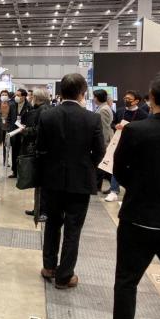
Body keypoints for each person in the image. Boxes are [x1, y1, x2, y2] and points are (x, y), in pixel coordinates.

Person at [96, 70, 160, 319]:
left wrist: (139, 188)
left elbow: (120, 170)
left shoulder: (136, 131)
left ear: (151, 98)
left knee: (127, 281)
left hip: (138, 217)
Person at [37, 74, 105, 290]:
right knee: (73, 229)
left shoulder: (47, 116)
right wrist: (86, 166)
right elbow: (100, 152)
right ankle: (64, 276)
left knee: (52, 224)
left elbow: (40, 148)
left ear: (61, 91)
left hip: (52, 180)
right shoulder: (92, 119)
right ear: (82, 93)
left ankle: (49, 267)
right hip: (80, 182)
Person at [106, 91, 149, 202]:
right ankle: (113, 190)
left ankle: (132, 190)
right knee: (116, 163)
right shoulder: (120, 111)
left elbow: (145, 129)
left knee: (133, 167)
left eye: (129, 99)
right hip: (119, 141)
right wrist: (116, 125)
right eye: (125, 98)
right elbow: (112, 123)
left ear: (136, 101)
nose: (126, 100)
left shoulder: (143, 114)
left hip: (135, 144)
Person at [20, 88, 51, 222]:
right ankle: (38, 209)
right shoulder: (43, 109)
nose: (31, 98)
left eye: (33, 96)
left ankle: (42, 211)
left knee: (41, 183)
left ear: (38, 98)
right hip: (41, 150)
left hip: (41, 151)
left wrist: (25, 130)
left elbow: (39, 130)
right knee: (38, 182)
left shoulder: (42, 111)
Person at [93, 89, 114, 193]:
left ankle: (101, 186)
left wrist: (103, 143)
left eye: (94, 97)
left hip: (104, 140)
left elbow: (104, 128)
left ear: (97, 98)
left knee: (102, 164)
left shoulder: (103, 109)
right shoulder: (103, 107)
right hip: (104, 140)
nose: (93, 99)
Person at [10, 88, 31, 178]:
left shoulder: (29, 106)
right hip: (14, 132)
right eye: (16, 95)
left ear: (24, 96)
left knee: (22, 152)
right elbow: (9, 118)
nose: (16, 97)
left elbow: (30, 119)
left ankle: (21, 172)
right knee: (14, 152)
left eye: (18, 95)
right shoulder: (12, 105)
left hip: (23, 132)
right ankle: (14, 171)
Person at [0, 89, 17, 166]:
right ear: (0, 96)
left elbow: (13, 117)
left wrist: (12, 127)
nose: (4, 96)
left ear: (8, 96)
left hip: (8, 127)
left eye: (5, 95)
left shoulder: (12, 105)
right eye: (2, 95)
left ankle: (5, 160)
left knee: (6, 144)